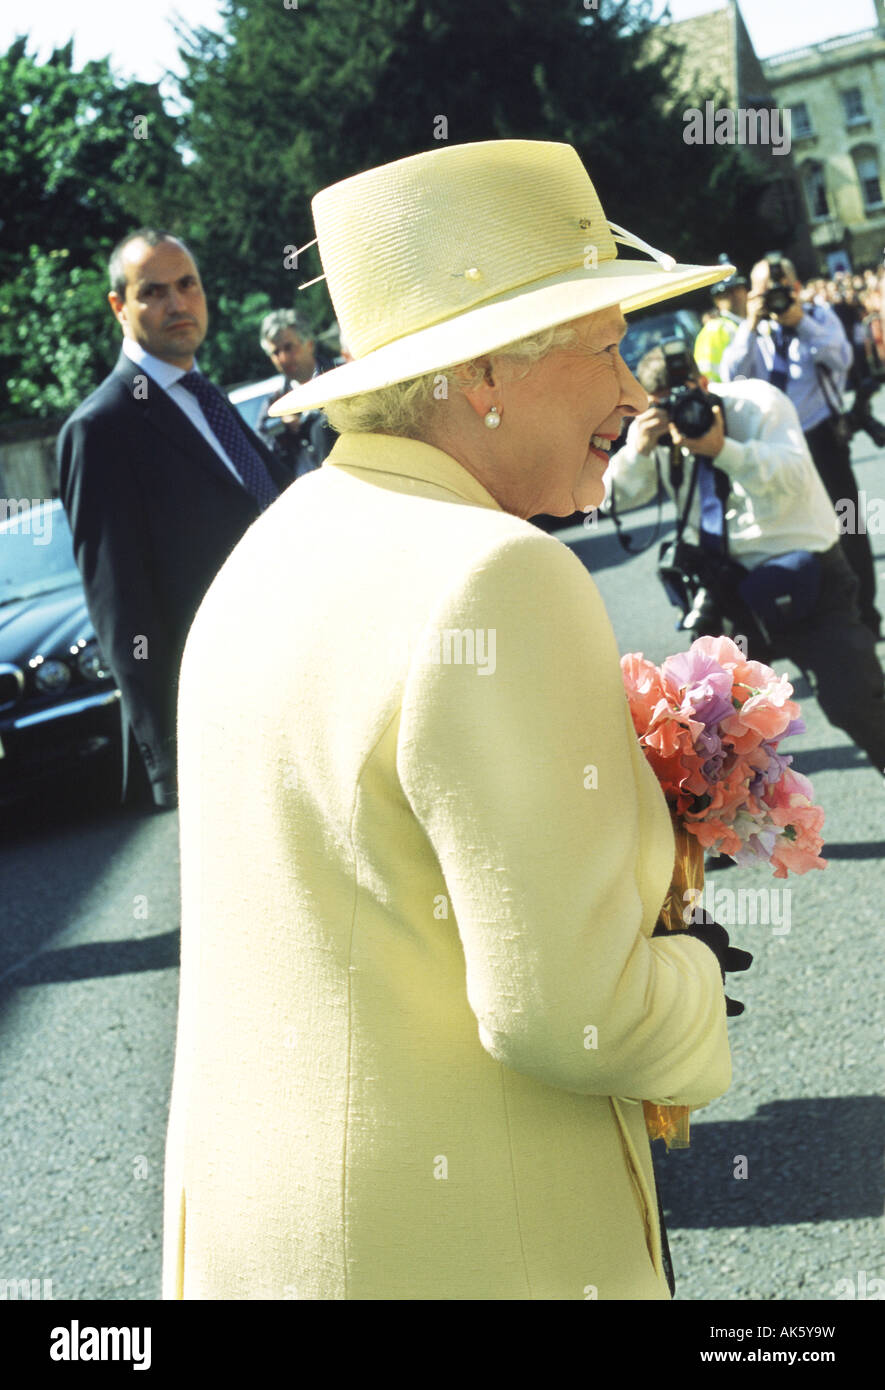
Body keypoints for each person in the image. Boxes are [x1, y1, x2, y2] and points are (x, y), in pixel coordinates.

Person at [162, 139, 744, 1301]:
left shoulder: (269, 550)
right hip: (470, 1248)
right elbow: (567, 1015)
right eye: (606, 343)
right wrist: (694, 979)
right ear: (484, 371)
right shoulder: (496, 575)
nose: (636, 392)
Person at [57, 228, 292, 811]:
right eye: (153, 292)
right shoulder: (101, 430)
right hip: (225, 727)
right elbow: (122, 612)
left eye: (187, 285)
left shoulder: (209, 401)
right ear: (119, 307)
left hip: (298, 688)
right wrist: (174, 765)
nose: (178, 303)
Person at [606, 346, 885, 774]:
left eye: (687, 397)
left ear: (703, 384)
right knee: (719, 733)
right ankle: (750, 830)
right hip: (729, 590)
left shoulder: (758, 402)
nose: (682, 413)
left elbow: (794, 475)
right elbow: (611, 499)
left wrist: (723, 449)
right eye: (665, 405)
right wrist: (637, 450)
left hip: (808, 577)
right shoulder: (659, 438)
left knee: (857, 703)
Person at [720, 254, 881, 639]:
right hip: (776, 441)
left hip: (822, 435)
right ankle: (810, 611)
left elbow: (843, 359)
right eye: (764, 292)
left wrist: (802, 324)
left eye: (782, 290)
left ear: (795, 288)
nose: (776, 298)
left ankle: (865, 612)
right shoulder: (750, 333)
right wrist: (752, 323)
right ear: (753, 294)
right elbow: (731, 377)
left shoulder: (818, 317)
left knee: (850, 523)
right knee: (793, 526)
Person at [256, 309, 339, 478]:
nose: (284, 358)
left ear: (309, 344)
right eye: (275, 352)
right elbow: (267, 460)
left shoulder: (342, 376)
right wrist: (285, 433)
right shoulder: (274, 407)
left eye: (288, 347)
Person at [693, 261, 748, 382]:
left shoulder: (758, 323)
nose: (734, 296)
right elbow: (707, 373)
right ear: (716, 300)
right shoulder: (714, 329)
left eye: (737, 289)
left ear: (745, 291)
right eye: (726, 293)